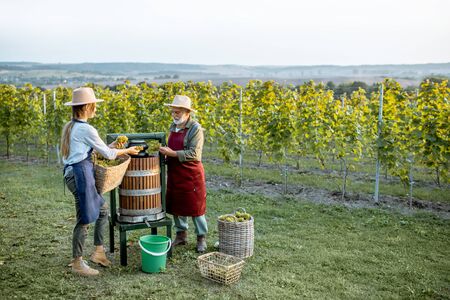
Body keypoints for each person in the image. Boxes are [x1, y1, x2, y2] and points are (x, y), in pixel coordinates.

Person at [61, 87, 139, 276]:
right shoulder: (86, 128)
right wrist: (127, 151)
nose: (96, 108)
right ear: (87, 106)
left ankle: (98, 252)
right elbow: (110, 155)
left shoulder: (72, 126)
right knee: (84, 218)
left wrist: (108, 146)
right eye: (94, 105)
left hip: (76, 173)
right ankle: (78, 262)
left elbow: (94, 150)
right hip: (79, 175)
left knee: (102, 211)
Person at [159, 95, 208, 253]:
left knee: (196, 207)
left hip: (191, 174)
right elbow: (170, 148)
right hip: (175, 172)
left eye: (178, 112)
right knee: (177, 205)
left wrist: (172, 154)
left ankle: (201, 237)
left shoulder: (195, 129)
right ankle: (181, 235)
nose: (174, 115)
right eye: (173, 112)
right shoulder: (173, 127)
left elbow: (194, 154)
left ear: (187, 112)